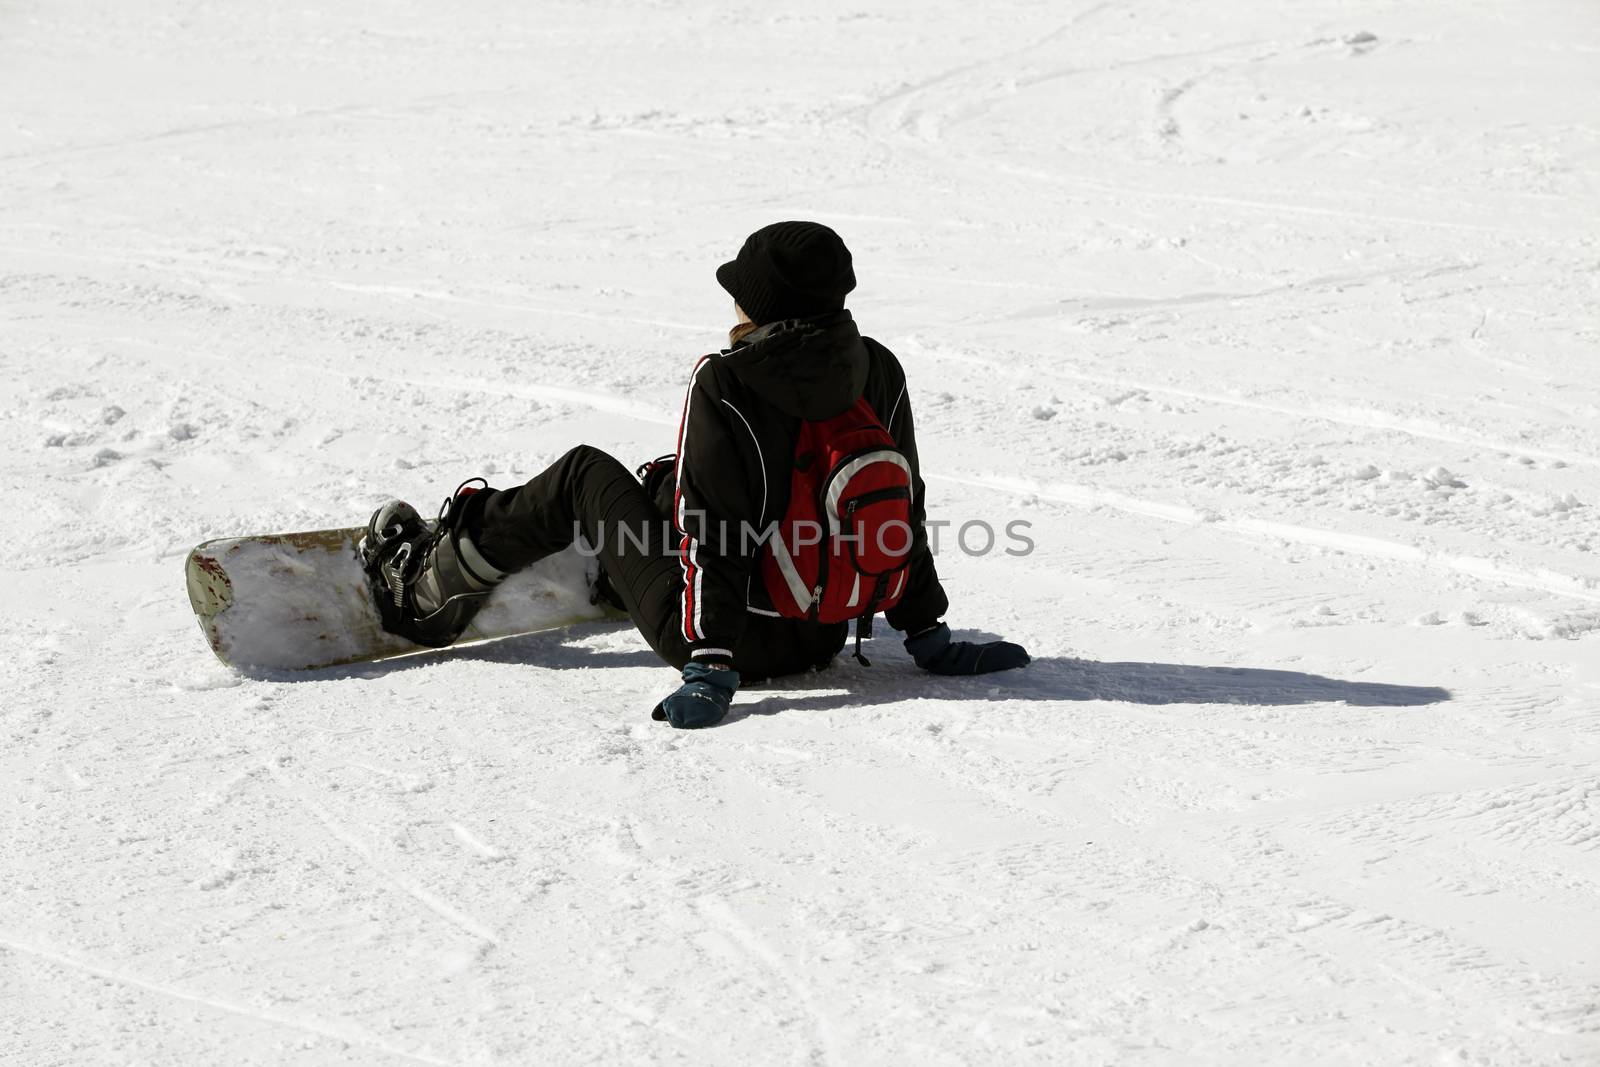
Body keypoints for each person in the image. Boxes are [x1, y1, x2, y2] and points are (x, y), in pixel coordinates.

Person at [360, 221, 1029, 728]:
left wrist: (709, 667)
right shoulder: (878, 367)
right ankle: (619, 576)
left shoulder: (728, 379)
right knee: (672, 476)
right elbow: (897, 508)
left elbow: (712, 525)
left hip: (724, 644)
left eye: (740, 293)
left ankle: (426, 594)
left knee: (582, 473)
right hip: (821, 630)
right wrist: (928, 636)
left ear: (763, 304)